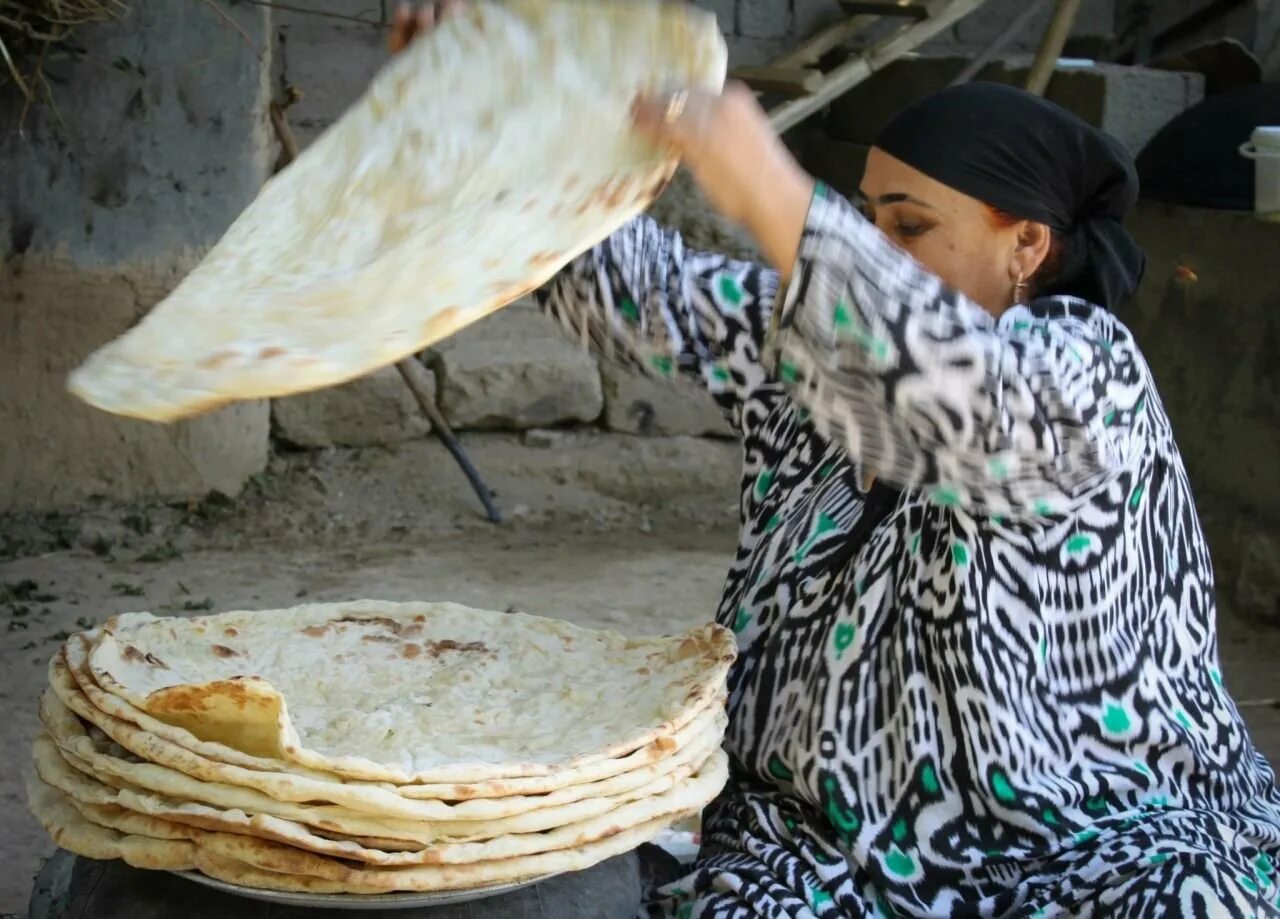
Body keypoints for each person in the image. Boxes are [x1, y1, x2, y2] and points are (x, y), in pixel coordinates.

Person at [36, 6, 1280, 918]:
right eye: (863, 215)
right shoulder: (813, 339)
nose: (867, 244)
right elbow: (632, 288)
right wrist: (481, 122)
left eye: (910, 226)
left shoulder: (1081, 372)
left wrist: (775, 194)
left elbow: (961, 402)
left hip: (1070, 849)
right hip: (808, 837)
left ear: (1025, 247)